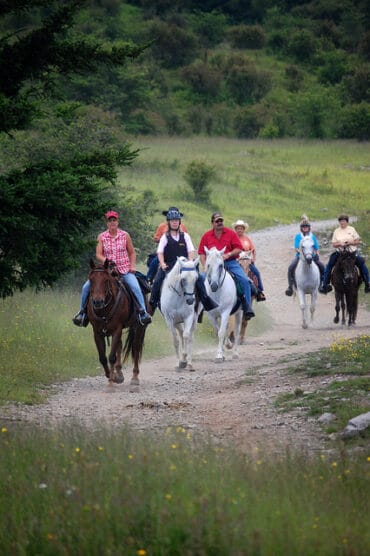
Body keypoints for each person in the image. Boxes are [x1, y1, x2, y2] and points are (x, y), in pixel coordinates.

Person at [72, 210, 152, 327]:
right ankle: (82, 313)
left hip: (124, 269)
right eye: (110, 221)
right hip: (108, 271)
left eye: (114, 220)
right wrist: (107, 261)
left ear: (117, 222)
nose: (112, 222)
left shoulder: (125, 235)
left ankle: (142, 313)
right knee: (86, 287)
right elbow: (98, 254)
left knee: (135, 286)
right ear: (107, 223)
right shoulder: (102, 237)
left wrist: (132, 266)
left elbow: (132, 253)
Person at [148, 208, 217, 314]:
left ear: (179, 222)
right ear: (169, 222)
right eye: (172, 221)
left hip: (185, 264)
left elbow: (190, 250)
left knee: (200, 278)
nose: (175, 223)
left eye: (176, 220)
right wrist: (162, 263)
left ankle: (205, 301)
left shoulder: (185, 236)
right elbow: (160, 252)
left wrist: (190, 261)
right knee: (157, 281)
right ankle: (152, 303)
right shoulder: (165, 237)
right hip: (169, 264)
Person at [198, 212, 255, 320]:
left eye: (221, 221)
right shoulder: (206, 236)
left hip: (230, 262)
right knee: (200, 280)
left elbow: (239, 248)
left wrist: (229, 254)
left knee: (244, 280)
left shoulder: (231, 234)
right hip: (213, 265)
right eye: (217, 221)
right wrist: (205, 266)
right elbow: (201, 252)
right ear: (212, 223)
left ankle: (247, 306)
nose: (220, 223)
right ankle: (200, 308)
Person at [319, 214, 370, 294]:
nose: (342, 223)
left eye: (344, 221)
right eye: (341, 221)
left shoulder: (352, 229)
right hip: (340, 253)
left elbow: (357, 241)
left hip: (351, 252)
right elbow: (334, 244)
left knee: (361, 263)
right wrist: (340, 244)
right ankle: (325, 284)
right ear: (339, 222)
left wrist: (351, 242)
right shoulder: (336, 231)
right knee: (330, 264)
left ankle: (367, 283)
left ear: (347, 222)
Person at [146, 206, 188, 283]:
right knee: (155, 262)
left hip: (180, 252)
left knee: (192, 266)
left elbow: (186, 240)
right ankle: (149, 279)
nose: (174, 220)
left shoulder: (183, 227)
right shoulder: (162, 226)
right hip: (164, 252)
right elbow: (156, 238)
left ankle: (198, 290)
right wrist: (163, 240)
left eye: (176, 218)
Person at [285, 217, 325, 296]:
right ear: (301, 228)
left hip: (312, 256)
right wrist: (302, 254)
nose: (305, 228)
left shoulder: (312, 237)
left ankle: (323, 284)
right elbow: (296, 248)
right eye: (303, 227)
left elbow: (316, 248)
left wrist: (316, 253)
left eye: (306, 227)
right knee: (291, 267)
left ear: (309, 228)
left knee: (322, 266)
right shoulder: (298, 237)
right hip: (300, 256)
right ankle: (290, 286)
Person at [232, 219, 266, 301]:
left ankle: (259, 292)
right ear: (235, 229)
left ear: (243, 229)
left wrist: (253, 259)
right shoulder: (233, 238)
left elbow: (253, 249)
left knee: (257, 273)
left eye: (241, 228)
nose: (239, 230)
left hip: (247, 260)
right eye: (238, 228)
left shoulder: (247, 239)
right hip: (237, 261)